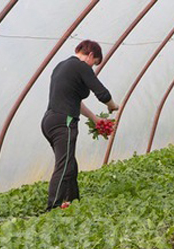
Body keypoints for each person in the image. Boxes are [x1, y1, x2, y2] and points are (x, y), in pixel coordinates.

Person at [42, 40, 119, 210]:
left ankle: (73, 201)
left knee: (69, 162)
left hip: (50, 120)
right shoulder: (81, 66)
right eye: (95, 63)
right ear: (91, 55)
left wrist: (95, 118)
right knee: (63, 165)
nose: (92, 68)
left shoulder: (61, 67)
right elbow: (102, 93)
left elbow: (73, 101)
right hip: (64, 121)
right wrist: (112, 105)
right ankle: (52, 208)